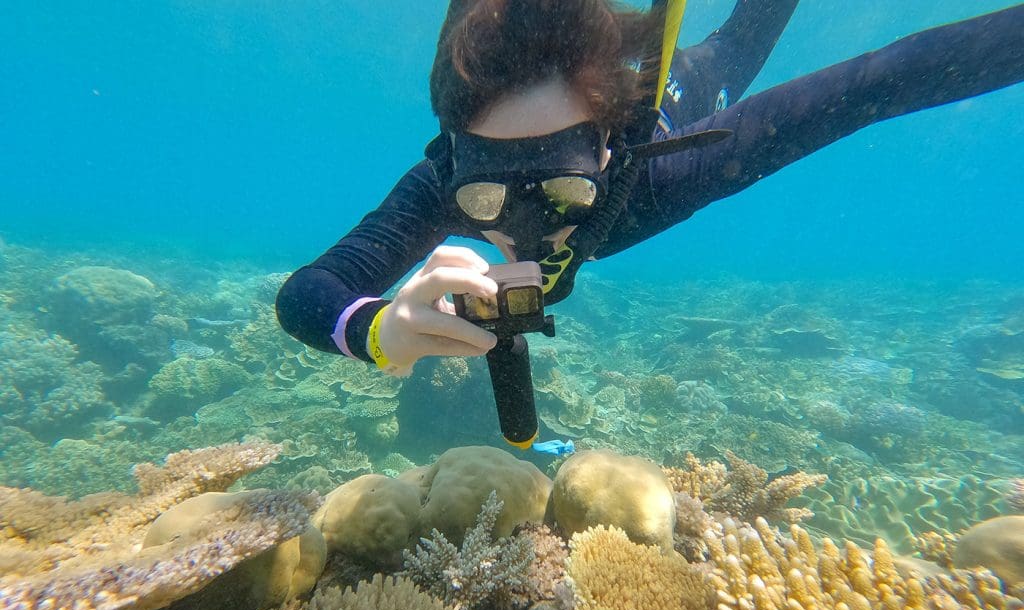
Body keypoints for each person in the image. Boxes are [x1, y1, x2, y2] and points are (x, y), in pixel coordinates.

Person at [277, 0, 1024, 379]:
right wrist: (376, 331)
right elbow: (309, 290)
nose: (525, 233)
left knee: (739, 43)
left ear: (611, 147)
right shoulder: (439, 181)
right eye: (486, 198)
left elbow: (881, 82)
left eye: (566, 189)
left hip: (686, 92)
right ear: (452, 162)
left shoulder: (664, 171)